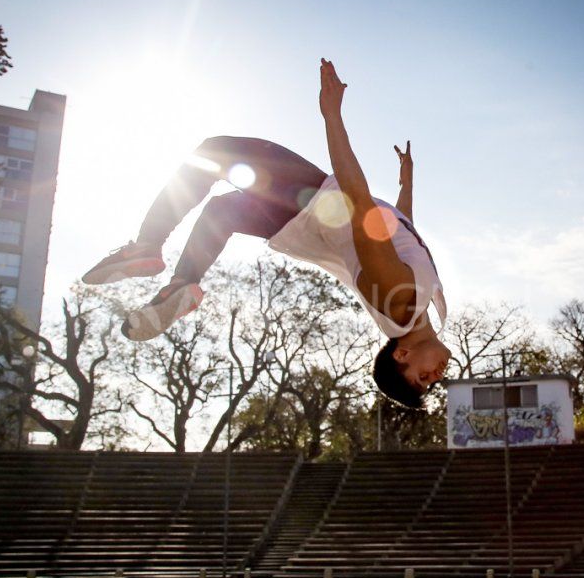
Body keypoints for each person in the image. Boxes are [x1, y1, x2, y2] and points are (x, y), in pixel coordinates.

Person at [82, 59, 450, 407]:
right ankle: (182, 283)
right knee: (222, 212)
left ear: (401, 354)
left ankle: (148, 245)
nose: (435, 376)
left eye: (422, 378)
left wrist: (332, 116)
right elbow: (402, 229)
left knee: (216, 152)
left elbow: (360, 203)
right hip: (305, 221)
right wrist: (407, 183)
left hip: (314, 204)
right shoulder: (416, 305)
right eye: (429, 381)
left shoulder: (398, 301)